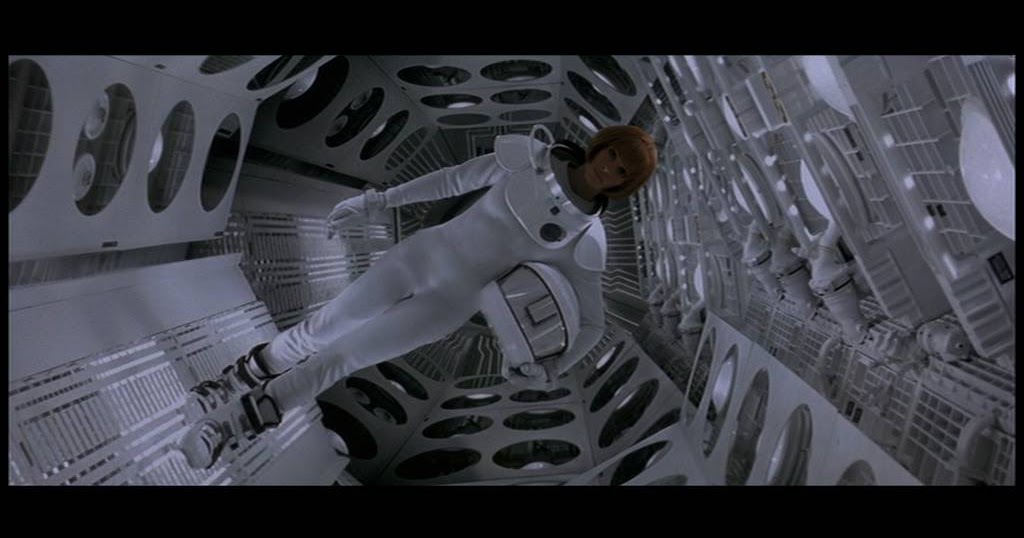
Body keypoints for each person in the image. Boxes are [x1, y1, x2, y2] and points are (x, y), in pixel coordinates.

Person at [179, 124, 657, 469]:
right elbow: (452, 180)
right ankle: (232, 383)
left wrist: (551, 366)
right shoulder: (529, 157)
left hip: (447, 307)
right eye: (613, 155)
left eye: (621, 172)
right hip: (418, 257)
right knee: (321, 329)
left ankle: (231, 425)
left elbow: (593, 323)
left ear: (624, 185)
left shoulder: (585, 240)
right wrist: (377, 201)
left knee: (342, 357)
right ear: (603, 145)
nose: (609, 169)